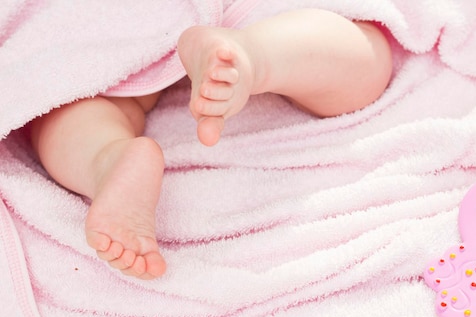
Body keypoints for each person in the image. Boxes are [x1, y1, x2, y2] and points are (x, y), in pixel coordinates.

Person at [29, 9, 393, 279]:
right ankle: (251, 55)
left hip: (113, 21)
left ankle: (106, 156)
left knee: (69, 103)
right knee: (364, 56)